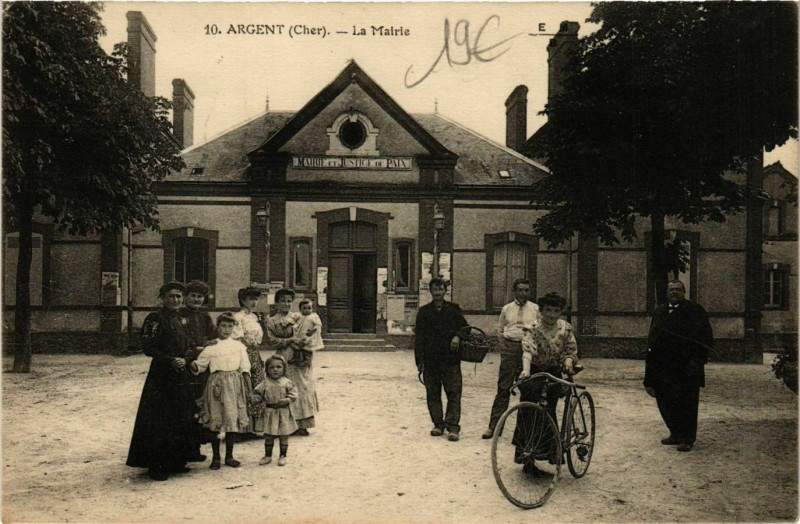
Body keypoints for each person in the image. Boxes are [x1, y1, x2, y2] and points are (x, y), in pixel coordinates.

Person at [126, 281, 200, 481]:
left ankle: (176, 460)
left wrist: (186, 359)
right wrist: (170, 360)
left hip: (181, 372)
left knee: (181, 414)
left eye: (178, 296)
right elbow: (148, 347)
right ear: (162, 298)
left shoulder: (183, 319)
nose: (175, 300)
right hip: (162, 375)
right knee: (160, 417)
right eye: (171, 296)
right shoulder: (155, 319)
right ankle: (157, 465)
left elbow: (192, 344)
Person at [644, 280, 713, 452]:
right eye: (671, 289)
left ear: (684, 292)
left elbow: (706, 339)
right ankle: (674, 433)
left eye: (678, 289)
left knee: (687, 403)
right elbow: (652, 338)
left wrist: (697, 361)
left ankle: (687, 438)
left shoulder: (695, 311)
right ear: (667, 292)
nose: (674, 292)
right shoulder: (659, 311)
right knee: (664, 401)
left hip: (686, 366)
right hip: (663, 366)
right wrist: (649, 371)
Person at [514, 291, 578, 476]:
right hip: (534, 371)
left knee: (548, 410)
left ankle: (550, 453)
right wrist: (525, 370)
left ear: (560, 312)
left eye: (556, 311)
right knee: (528, 409)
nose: (551, 314)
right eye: (547, 310)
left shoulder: (565, 329)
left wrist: (568, 361)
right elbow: (527, 350)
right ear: (541, 311)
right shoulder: (532, 327)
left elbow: (570, 351)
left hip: (554, 373)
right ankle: (527, 457)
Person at [189, 312, 251, 469]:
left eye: (230, 326)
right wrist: (190, 360)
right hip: (216, 385)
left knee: (232, 418)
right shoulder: (211, 347)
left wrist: (248, 386)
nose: (227, 329)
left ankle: (229, 456)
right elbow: (200, 365)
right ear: (218, 327)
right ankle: (216, 457)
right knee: (216, 419)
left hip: (234, 385)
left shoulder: (239, 346)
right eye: (223, 326)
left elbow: (245, 367)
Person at [482, 278, 541, 440]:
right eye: (520, 290)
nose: (523, 293)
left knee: (528, 388)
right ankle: (494, 428)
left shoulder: (535, 309)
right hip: (510, 349)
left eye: (526, 290)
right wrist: (505, 346)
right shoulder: (506, 308)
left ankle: (525, 432)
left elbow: (540, 330)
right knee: (503, 388)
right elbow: (500, 330)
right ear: (514, 291)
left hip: (528, 350)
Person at [414, 278, 468, 441]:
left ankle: (453, 427)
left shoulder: (453, 309)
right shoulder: (424, 312)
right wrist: (420, 362)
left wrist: (458, 336)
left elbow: (466, 328)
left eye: (440, 289)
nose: (438, 293)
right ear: (430, 292)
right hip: (431, 360)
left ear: (445, 291)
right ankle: (438, 424)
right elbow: (419, 338)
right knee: (433, 394)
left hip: (450, 360)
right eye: (434, 290)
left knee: (454, 393)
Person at [268, 289, 319, 436]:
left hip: (301, 354)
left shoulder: (298, 316)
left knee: (303, 386)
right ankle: (286, 424)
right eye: (283, 301)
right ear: (276, 303)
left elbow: (312, 329)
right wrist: (290, 340)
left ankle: (302, 424)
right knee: (286, 387)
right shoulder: (272, 321)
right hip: (284, 357)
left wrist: (306, 342)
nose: (286, 304)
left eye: (289, 301)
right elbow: (272, 341)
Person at [181, 279, 217, 461]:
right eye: (193, 296)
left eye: (199, 297)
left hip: (203, 368)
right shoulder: (180, 315)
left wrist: (208, 345)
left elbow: (214, 337)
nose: (196, 300)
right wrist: (195, 348)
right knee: (186, 407)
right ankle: (185, 450)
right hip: (185, 367)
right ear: (186, 297)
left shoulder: (204, 317)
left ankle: (195, 449)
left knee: (200, 405)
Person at [253, 354, 298, 466]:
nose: (275, 370)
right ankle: (267, 455)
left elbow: (294, 394)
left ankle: (283, 455)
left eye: (279, 367)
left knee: (284, 435)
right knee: (269, 435)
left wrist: (287, 399)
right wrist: (256, 398)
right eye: (272, 367)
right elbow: (257, 393)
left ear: (284, 368)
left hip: (283, 412)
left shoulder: (287, 382)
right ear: (267, 369)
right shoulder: (265, 383)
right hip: (270, 412)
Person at [233, 286, 268, 429]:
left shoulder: (254, 317)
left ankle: (256, 425)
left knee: (257, 385)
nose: (254, 302)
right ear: (242, 300)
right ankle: (243, 427)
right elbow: (237, 338)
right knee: (245, 386)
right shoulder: (237, 317)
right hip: (243, 353)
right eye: (250, 299)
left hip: (254, 353)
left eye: (255, 299)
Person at [288, 298, 323, 368]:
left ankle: (307, 361)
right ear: (300, 309)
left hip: (309, 336)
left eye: (309, 308)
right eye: (304, 308)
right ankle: (296, 358)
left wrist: (312, 330)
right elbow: (291, 317)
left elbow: (318, 324)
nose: (307, 310)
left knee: (307, 349)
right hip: (300, 334)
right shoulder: (299, 315)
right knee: (297, 346)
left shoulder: (314, 316)